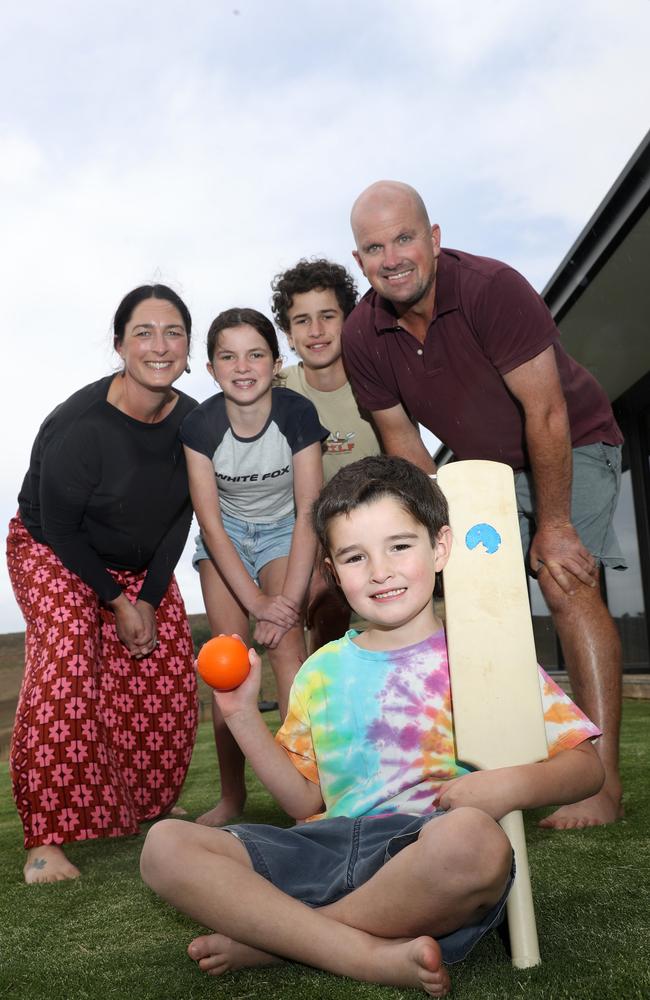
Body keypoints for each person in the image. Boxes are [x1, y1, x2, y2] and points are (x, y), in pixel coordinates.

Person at [140, 455, 603, 994]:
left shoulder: (487, 654)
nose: (380, 570)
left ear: (441, 548)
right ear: (333, 573)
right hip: (327, 846)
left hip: (421, 855)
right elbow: (303, 803)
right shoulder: (320, 670)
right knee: (166, 846)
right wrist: (242, 715)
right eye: (355, 557)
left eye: (400, 546)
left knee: (473, 844)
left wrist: (508, 785)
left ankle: (284, 939)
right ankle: (352, 948)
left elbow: (585, 767)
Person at [342, 180, 626, 830]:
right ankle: (496, 760)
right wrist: (438, 537)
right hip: (484, 471)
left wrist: (552, 525)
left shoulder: (491, 289)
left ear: (434, 238)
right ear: (359, 262)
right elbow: (402, 444)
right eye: (374, 247)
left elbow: (546, 411)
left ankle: (600, 787)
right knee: (475, 597)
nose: (392, 257)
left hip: (573, 440)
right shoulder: (363, 334)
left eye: (405, 238)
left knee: (564, 580)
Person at [7, 284, 199, 884]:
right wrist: (114, 602)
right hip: (53, 550)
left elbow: (183, 517)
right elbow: (60, 526)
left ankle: (140, 810)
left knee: (163, 666)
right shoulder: (79, 425)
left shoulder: (195, 422)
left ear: (189, 347)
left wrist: (144, 601)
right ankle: (46, 841)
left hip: (140, 563)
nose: (159, 345)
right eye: (143, 332)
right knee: (67, 662)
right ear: (119, 345)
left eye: (173, 332)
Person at [180, 307, 327, 827]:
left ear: (276, 360)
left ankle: (303, 790)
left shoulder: (296, 416)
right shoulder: (199, 426)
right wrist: (257, 602)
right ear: (212, 367)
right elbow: (212, 526)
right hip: (227, 542)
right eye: (228, 356)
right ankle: (232, 797)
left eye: (256, 354)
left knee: (289, 646)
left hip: (287, 530)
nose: (243, 367)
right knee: (228, 661)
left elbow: (311, 509)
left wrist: (283, 602)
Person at [271, 258, 381, 651]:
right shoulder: (277, 388)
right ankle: (323, 687)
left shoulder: (379, 376)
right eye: (301, 320)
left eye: (327, 316)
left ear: (347, 320)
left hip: (378, 518)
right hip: (311, 528)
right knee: (325, 600)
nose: (315, 331)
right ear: (287, 332)